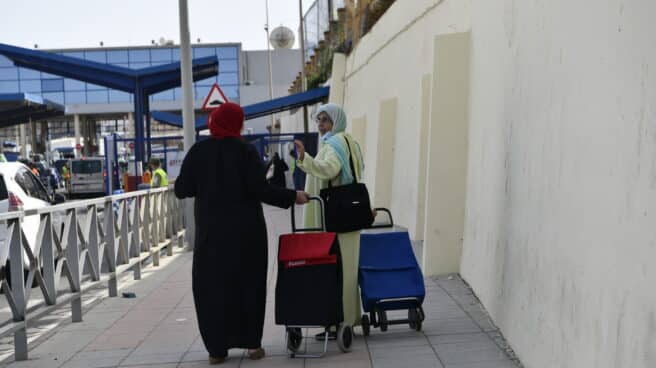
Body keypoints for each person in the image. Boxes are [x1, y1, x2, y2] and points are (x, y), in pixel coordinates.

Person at [174, 102, 310, 365]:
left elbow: (182, 189)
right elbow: (262, 191)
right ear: (235, 123)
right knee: (249, 285)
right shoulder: (245, 152)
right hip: (247, 235)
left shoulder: (199, 151)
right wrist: (293, 196)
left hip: (211, 236)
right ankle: (252, 345)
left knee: (211, 288)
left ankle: (216, 350)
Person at [293, 103, 365, 339]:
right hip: (349, 215)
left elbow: (330, 170)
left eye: (325, 119)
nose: (321, 124)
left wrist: (306, 160)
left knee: (335, 269)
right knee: (348, 269)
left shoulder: (333, 144)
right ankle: (349, 317)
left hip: (335, 216)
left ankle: (337, 322)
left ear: (336, 120)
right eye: (318, 120)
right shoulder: (349, 141)